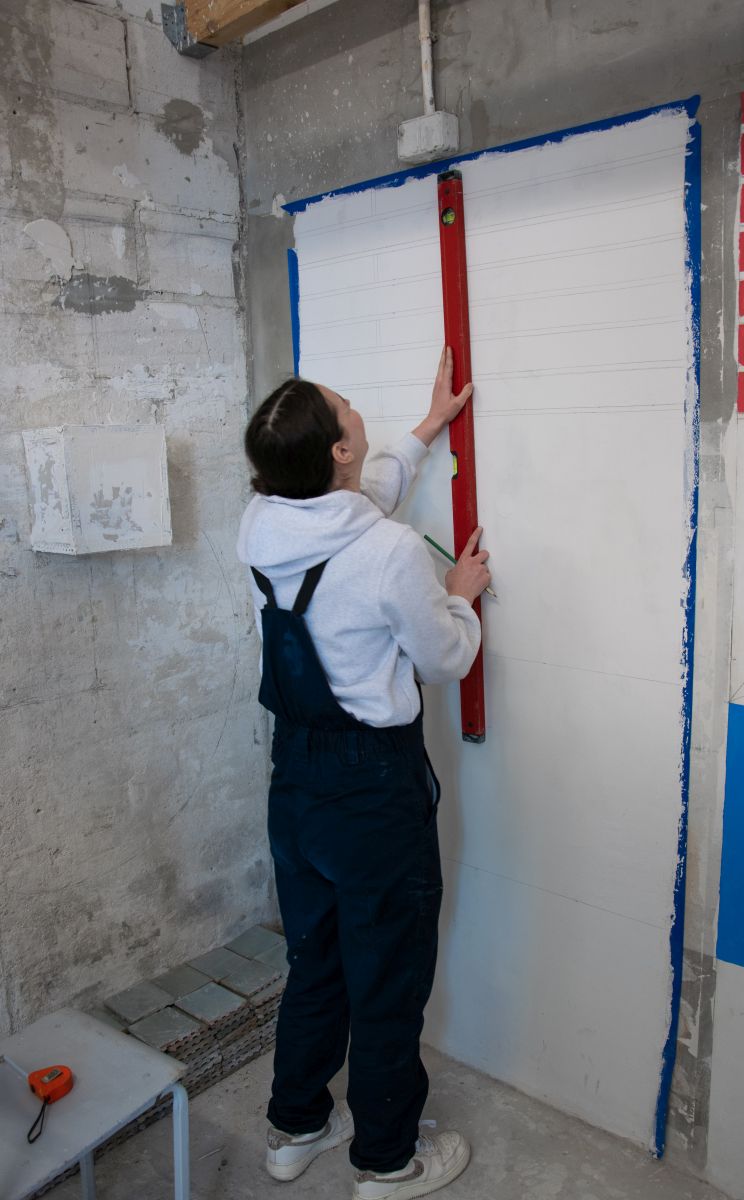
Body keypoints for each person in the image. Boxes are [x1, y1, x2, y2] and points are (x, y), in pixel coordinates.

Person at [237, 347, 491, 1200]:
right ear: (340, 449)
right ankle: (386, 1161)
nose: (353, 405)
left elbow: (354, 502)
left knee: (316, 959)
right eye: (345, 406)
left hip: (295, 781)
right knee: (386, 972)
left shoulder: (263, 521)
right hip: (370, 791)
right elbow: (445, 657)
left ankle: (295, 1126)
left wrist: (427, 428)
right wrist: (457, 593)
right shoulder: (388, 552)